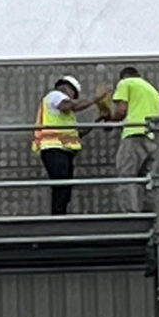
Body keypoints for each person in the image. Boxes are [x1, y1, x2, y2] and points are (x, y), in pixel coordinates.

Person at [31, 75, 105, 215]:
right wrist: (96, 99)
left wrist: (97, 120)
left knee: (65, 185)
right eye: (74, 94)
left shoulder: (64, 114)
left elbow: (78, 133)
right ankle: (58, 217)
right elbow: (71, 106)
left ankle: (60, 215)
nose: (73, 97)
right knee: (61, 183)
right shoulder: (54, 96)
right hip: (53, 147)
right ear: (67, 88)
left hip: (63, 150)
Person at [110, 66, 159, 212]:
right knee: (149, 179)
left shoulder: (126, 83)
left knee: (127, 175)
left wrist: (110, 122)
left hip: (133, 134)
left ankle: (131, 215)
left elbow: (121, 110)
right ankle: (152, 215)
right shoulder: (152, 90)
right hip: (151, 137)